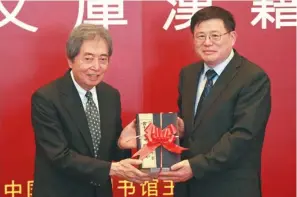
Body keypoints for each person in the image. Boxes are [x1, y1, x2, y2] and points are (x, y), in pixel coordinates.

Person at [157, 6, 271, 197]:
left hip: (229, 186)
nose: (207, 42)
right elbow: (196, 125)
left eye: (215, 35)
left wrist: (196, 166)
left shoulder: (253, 77)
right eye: (200, 36)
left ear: (232, 37)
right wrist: (181, 128)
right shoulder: (188, 74)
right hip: (188, 187)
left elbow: (243, 135)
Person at [31, 24, 151, 197]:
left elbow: (109, 154)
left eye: (103, 59)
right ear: (70, 60)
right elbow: (59, 156)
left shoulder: (110, 95)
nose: (96, 67)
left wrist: (120, 144)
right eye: (88, 58)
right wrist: (112, 169)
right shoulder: (46, 98)